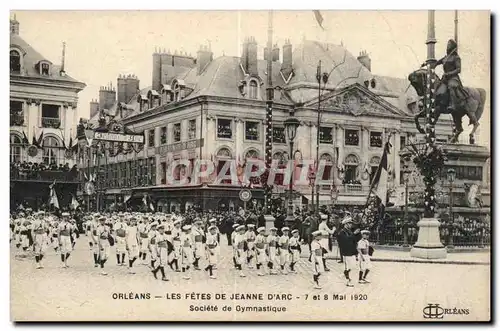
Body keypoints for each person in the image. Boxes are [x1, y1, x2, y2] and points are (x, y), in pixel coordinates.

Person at [434, 39, 469, 114]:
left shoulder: (456, 57)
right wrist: (427, 64)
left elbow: (458, 69)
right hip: (445, 78)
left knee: (451, 86)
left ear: (452, 46)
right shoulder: (445, 58)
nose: (447, 46)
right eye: (447, 44)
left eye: (449, 44)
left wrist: (448, 73)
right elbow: (436, 63)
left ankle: (453, 104)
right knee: (439, 89)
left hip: (453, 78)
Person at [337, 216, 361, 287]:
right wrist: (354, 234)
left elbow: (355, 239)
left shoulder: (349, 231)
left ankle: (345, 274)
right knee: (348, 266)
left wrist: (358, 234)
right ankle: (348, 280)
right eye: (349, 223)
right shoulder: (342, 232)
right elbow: (346, 240)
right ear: (346, 224)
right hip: (346, 252)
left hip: (352, 251)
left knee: (352, 266)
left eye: (351, 224)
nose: (351, 225)